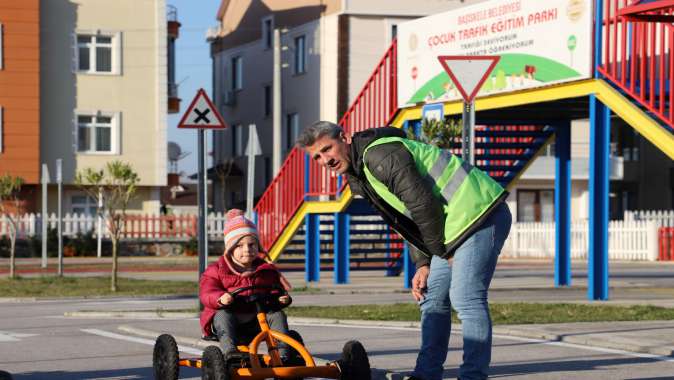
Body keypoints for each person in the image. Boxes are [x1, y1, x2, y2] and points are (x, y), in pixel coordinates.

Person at [296, 121, 512, 380]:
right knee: (431, 299)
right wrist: (423, 263)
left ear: (345, 137)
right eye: (317, 157)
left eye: (327, 149)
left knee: (466, 298)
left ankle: (472, 376)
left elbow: (422, 206)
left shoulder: (379, 155)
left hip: (479, 215)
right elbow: (405, 218)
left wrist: (437, 253)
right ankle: (426, 374)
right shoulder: (360, 173)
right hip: (453, 228)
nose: (324, 160)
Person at [199, 209, 293, 362]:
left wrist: (281, 298)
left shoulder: (266, 270)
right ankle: (230, 352)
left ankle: (283, 353)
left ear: (258, 246)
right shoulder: (216, 270)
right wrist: (220, 298)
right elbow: (207, 292)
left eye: (252, 244)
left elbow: (276, 290)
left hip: (257, 322)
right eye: (239, 246)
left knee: (277, 315)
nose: (247, 250)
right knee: (223, 314)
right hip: (230, 323)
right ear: (230, 249)